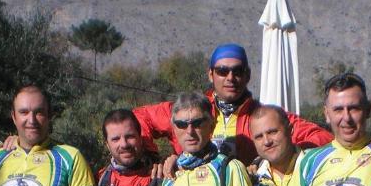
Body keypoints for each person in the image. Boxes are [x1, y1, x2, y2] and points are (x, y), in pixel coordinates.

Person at [134, 44, 332, 164]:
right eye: (222, 71)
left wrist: (280, 159)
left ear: (247, 75)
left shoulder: (262, 117)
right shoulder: (189, 112)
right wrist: (150, 157)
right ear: (211, 75)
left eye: (237, 71)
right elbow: (138, 118)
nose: (230, 78)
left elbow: (321, 137)